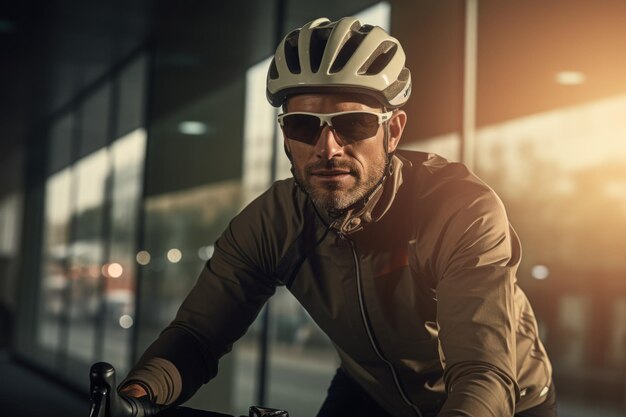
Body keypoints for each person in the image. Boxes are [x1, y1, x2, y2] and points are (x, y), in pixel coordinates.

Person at [117, 17, 556, 417]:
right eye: (304, 126)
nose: (328, 149)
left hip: (501, 402)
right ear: (286, 138)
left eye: (354, 125)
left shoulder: (460, 211)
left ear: (393, 131)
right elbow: (197, 336)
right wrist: (137, 396)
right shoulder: (273, 222)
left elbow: (482, 371)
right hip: (370, 391)